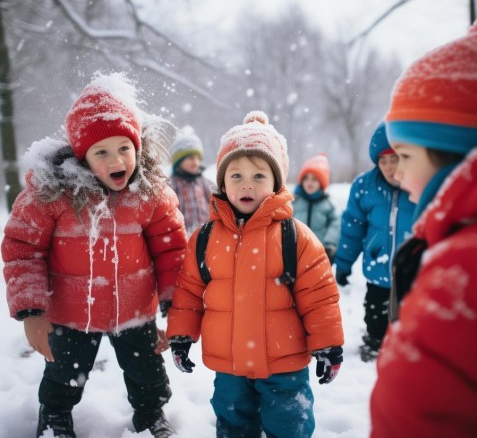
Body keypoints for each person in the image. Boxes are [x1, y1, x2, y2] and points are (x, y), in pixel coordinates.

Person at [1, 73, 187, 438]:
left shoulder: (150, 194)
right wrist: (31, 312)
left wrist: (175, 303)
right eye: (101, 152)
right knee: (64, 374)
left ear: (137, 147)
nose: (116, 159)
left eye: (124, 148)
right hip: (72, 313)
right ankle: (54, 418)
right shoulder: (52, 196)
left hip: (135, 309)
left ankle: (151, 415)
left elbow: (171, 249)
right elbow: (23, 248)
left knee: (147, 370)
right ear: (82, 156)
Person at [370, 15, 477, 437]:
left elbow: (424, 410)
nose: (400, 177)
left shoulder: (473, 267)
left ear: (458, 154)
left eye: (407, 158)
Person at [166, 111, 344, 438]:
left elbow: (319, 297)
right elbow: (189, 292)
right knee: (234, 423)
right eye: (236, 176)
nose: (246, 183)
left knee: (288, 426)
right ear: (221, 183)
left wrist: (328, 344)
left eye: (258, 176)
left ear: (276, 183)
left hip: (284, 365)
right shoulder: (204, 239)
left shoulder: (296, 237)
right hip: (229, 364)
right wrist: (180, 335)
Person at [333, 122, 415, 362]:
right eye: (384, 161)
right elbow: (353, 229)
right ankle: (375, 342)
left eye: (395, 159)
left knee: (411, 314)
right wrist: (344, 264)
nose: (389, 167)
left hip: (411, 270)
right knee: (375, 313)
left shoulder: (418, 184)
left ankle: (409, 347)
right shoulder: (365, 186)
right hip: (378, 267)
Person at [292, 153, 340, 263]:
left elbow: (335, 224)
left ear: (321, 182)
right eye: (306, 178)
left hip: (319, 251)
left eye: (314, 179)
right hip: (296, 251)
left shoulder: (328, 203)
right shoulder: (295, 200)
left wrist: (329, 244)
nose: (309, 182)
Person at [168, 126, 215, 237]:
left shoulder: (205, 183)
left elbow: (217, 203)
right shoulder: (172, 185)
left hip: (206, 235)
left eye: (198, 158)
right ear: (178, 161)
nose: (196, 162)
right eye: (191, 158)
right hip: (183, 235)